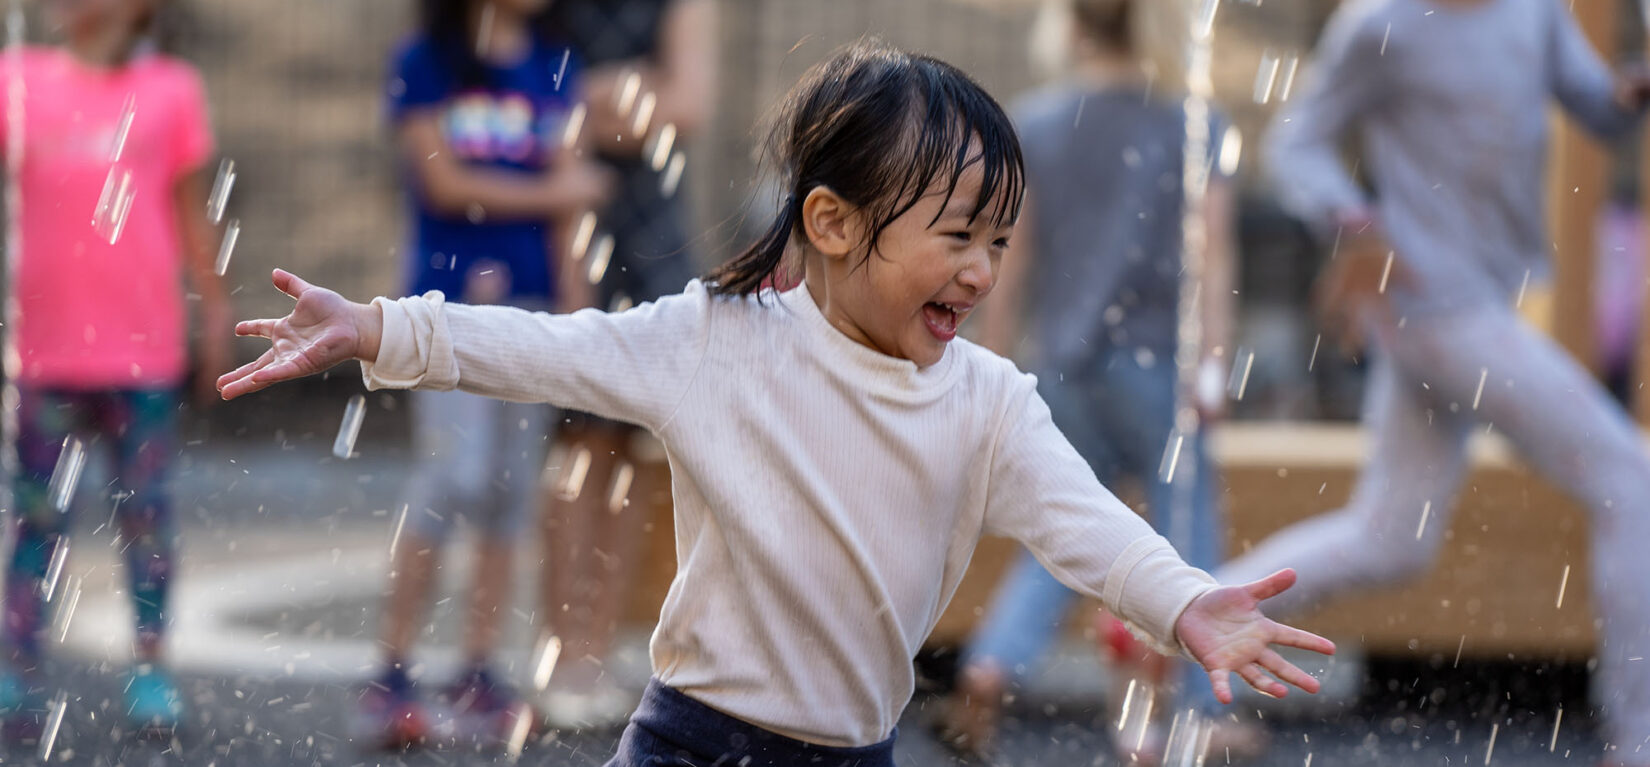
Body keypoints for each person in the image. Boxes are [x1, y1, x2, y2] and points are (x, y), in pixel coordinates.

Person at [220, 42, 1333, 766]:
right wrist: (378, 328)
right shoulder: (718, 339)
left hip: (853, 749)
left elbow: (1081, 519)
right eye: (955, 236)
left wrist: (1184, 601)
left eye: (997, 241)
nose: (984, 270)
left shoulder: (988, 400)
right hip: (688, 737)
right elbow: (549, 350)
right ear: (836, 223)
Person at [1215, 1, 1650, 763]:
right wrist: (1354, 222)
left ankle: (1191, 611)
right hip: (1433, 307)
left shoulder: (1535, 9)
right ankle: (1638, 737)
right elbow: (1296, 144)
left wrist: (1628, 95)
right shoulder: (1382, 24)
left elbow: (1596, 107)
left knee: (1392, 538)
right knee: (1631, 478)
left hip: (1472, 304)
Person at [937, 0, 1241, 759]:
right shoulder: (1193, 123)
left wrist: (997, 359)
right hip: (1156, 366)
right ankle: (1205, 706)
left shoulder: (1036, 125)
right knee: (1187, 526)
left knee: (1061, 528)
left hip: (1065, 364)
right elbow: (1216, 252)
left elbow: (1011, 255)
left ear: (1070, 23)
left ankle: (992, 660)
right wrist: (1213, 363)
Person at [364, 0, 610, 747]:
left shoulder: (556, 61)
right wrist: (562, 191)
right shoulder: (424, 60)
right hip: (445, 310)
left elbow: (574, 209)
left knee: (508, 494)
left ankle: (478, 671)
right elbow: (443, 183)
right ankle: (391, 670)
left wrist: (580, 312)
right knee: (449, 480)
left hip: (533, 310)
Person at [0, 0, 229, 740]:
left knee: (147, 516)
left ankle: (152, 666)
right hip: (46, 355)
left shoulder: (172, 90)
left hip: (143, 353)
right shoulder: (18, 81)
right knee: (37, 518)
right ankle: (16, 666)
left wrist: (215, 307)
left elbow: (193, 213)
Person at [536, 0, 718, 728]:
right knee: (573, 443)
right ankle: (561, 652)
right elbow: (530, 101)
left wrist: (576, 111)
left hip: (649, 226)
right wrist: (618, 97)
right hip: (565, 219)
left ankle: (599, 649)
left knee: (637, 447)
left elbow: (689, 104)